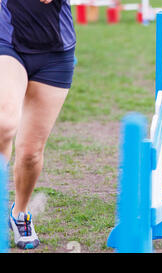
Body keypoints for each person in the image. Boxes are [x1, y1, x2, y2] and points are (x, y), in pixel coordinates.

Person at [0, 0, 76, 249]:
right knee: (5, 123)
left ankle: (19, 213)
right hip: (7, 42)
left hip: (55, 53)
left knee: (31, 153)